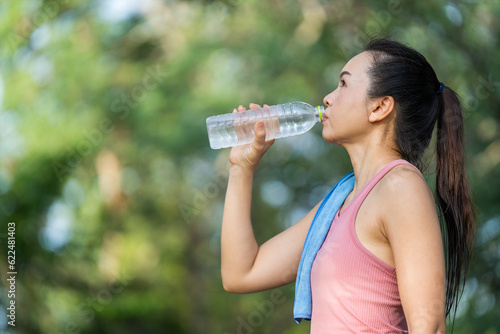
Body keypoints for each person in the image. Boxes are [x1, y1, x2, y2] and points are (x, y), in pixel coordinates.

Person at [220, 38, 475, 333]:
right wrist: (241, 168)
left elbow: (429, 326)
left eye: (343, 84)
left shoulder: (401, 187)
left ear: (380, 107)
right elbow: (241, 274)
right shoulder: (340, 202)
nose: (328, 98)